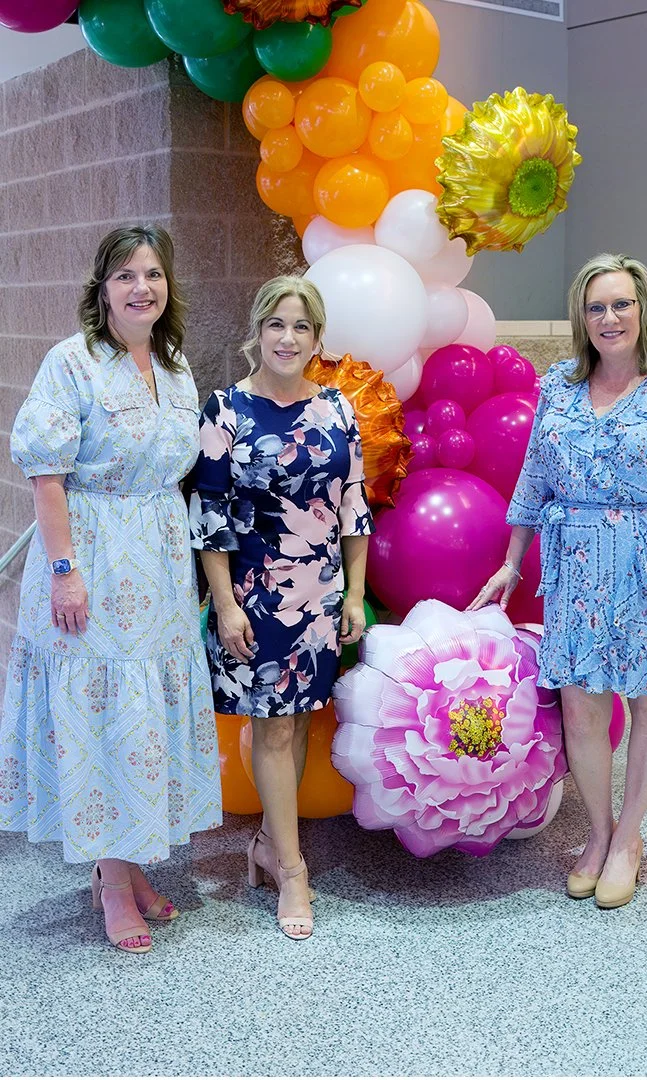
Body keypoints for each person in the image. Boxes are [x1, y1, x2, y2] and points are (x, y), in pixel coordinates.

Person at [469, 253, 647, 908]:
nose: (610, 317)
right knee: (580, 702)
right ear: (583, 316)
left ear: (644, 311)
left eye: (622, 304)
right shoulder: (559, 385)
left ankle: (630, 836)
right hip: (575, 561)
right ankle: (599, 835)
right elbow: (534, 477)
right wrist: (513, 560)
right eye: (597, 306)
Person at [0, 225, 222, 953]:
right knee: (101, 715)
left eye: (153, 274)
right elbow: (46, 475)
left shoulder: (177, 367)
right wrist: (64, 572)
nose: (141, 288)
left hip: (156, 562)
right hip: (90, 559)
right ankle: (115, 884)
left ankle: (121, 869)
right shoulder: (72, 363)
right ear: (103, 288)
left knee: (142, 716)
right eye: (125, 275)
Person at [190, 275, 374, 939]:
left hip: (320, 594)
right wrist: (224, 605)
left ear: (316, 338)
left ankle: (269, 842)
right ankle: (293, 869)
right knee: (270, 727)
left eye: (300, 326)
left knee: (296, 724)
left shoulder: (338, 410)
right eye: (276, 324)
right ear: (257, 333)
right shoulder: (225, 410)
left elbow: (353, 506)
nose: (287, 337)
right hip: (254, 593)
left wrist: (354, 593)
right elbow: (208, 514)